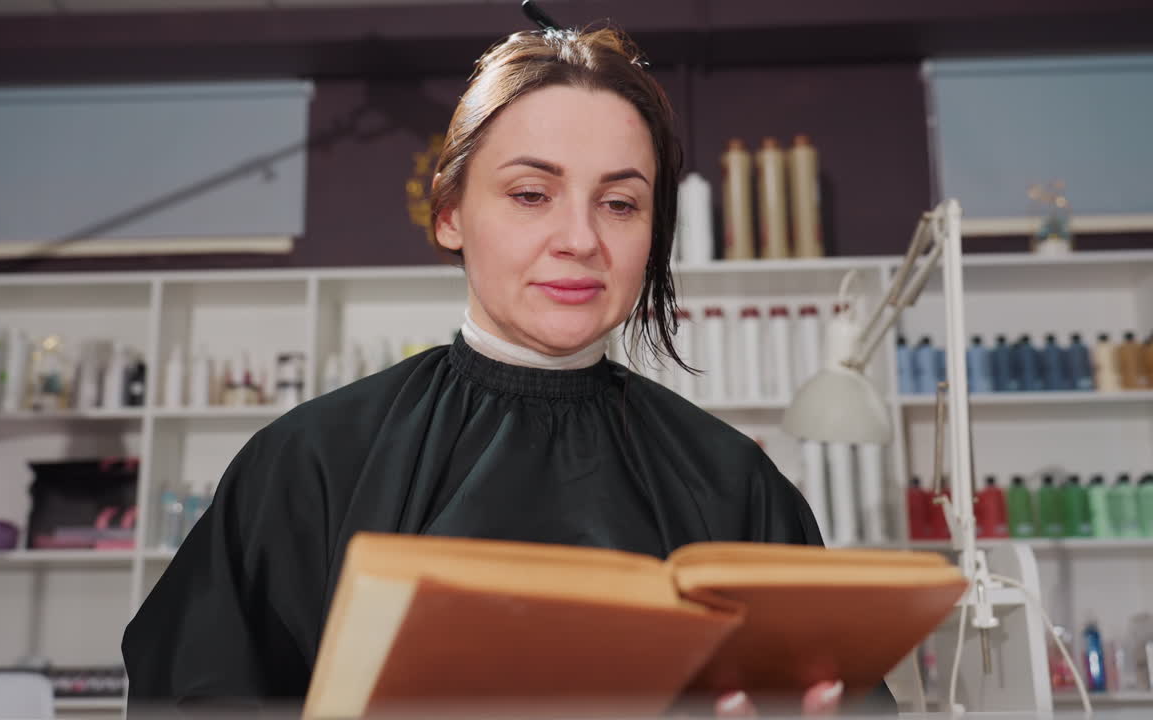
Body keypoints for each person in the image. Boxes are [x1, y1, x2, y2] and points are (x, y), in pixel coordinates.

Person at [122, 24, 895, 718]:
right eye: (531, 194)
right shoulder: (308, 464)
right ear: (450, 213)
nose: (580, 239)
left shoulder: (736, 486)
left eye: (620, 204)